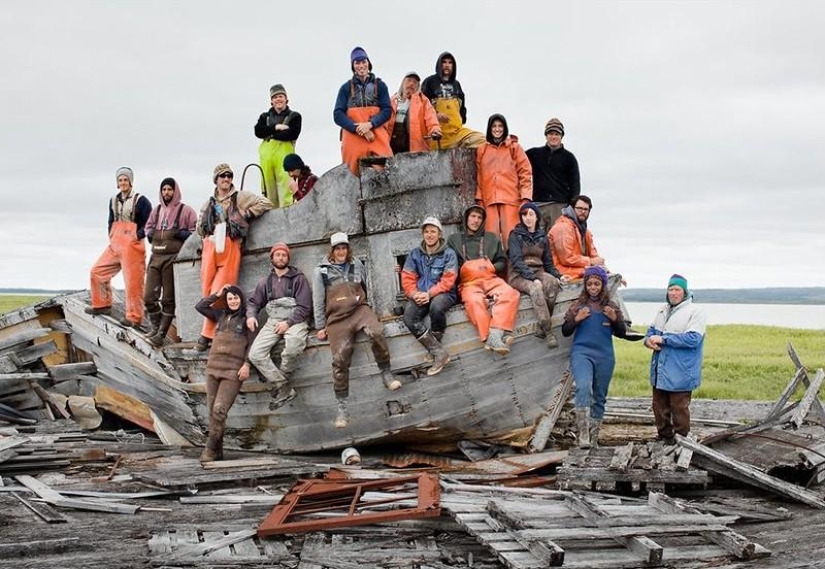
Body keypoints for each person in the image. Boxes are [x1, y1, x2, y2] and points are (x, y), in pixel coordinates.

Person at [312, 232, 401, 429]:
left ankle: (386, 373)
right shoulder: (321, 271)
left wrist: (370, 308)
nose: (341, 251)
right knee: (340, 358)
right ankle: (342, 407)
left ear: (348, 249)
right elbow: (317, 300)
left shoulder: (357, 264)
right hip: (337, 319)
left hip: (360, 310)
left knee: (376, 332)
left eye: (344, 248)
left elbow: (366, 286)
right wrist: (320, 326)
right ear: (332, 251)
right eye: (337, 248)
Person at [196, 163, 273, 351]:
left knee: (220, 291)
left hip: (230, 246)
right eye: (222, 176)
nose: (226, 179)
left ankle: (208, 334)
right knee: (207, 291)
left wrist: (245, 214)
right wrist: (205, 224)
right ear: (216, 180)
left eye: (229, 176)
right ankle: (211, 331)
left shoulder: (241, 197)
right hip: (210, 246)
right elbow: (198, 228)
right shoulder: (208, 203)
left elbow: (266, 203)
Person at [561, 266, 626, 448]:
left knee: (600, 396)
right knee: (583, 387)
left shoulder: (611, 306)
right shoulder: (577, 306)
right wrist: (577, 319)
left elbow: (621, 332)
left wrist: (614, 318)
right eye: (589, 284)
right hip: (582, 353)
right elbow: (565, 331)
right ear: (585, 285)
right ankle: (583, 435)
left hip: (605, 356)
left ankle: (593, 437)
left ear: (603, 285)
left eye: (597, 284)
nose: (593, 287)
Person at [446, 205, 519, 354]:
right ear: (466, 218)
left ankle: (495, 334)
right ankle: (492, 337)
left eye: (479, 217)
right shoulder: (454, 240)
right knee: (474, 302)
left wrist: (491, 267)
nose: (476, 220)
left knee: (511, 294)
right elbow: (450, 265)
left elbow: (502, 261)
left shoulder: (492, 238)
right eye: (473, 216)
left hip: (490, 278)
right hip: (468, 283)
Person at [643, 274, 707, 444]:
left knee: (679, 408)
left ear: (685, 292)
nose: (673, 293)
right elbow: (651, 332)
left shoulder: (695, 311)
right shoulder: (662, 310)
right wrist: (648, 341)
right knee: (659, 407)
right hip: (660, 368)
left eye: (677, 289)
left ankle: (681, 441)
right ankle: (664, 439)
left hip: (681, 370)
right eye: (670, 289)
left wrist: (664, 339)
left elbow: (693, 339)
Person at [246, 243, 312, 407]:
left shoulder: (299, 279)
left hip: (295, 320)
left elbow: (305, 307)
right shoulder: (265, 282)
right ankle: (284, 387)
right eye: (278, 255)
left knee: (293, 346)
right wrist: (251, 316)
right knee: (255, 354)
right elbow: (253, 303)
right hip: (273, 321)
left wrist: (288, 323)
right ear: (272, 258)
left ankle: (282, 381)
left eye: (284, 255)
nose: (281, 258)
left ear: (288, 259)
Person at [86, 167, 152, 328]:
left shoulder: (141, 200)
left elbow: (150, 223)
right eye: (120, 180)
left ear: (131, 181)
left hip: (133, 246)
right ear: (117, 183)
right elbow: (110, 220)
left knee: (133, 283)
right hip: (115, 243)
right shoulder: (113, 200)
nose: (123, 183)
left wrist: (137, 235)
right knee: (97, 272)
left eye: (125, 179)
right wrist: (111, 234)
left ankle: (134, 317)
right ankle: (102, 304)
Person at [195, 284, 254, 462]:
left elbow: (253, 344)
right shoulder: (220, 315)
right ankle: (218, 452)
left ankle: (209, 450)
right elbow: (200, 306)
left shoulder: (247, 319)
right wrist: (218, 294)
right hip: (212, 369)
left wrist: (247, 364)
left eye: (236, 298)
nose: (233, 301)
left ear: (241, 299)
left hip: (232, 372)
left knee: (219, 410)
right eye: (229, 298)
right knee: (212, 413)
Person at [143, 177, 197, 347]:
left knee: (168, 299)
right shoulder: (156, 210)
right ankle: (156, 327)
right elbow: (148, 227)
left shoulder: (186, 210)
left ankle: (161, 334)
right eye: (164, 189)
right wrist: (150, 233)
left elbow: (196, 232)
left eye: (169, 189)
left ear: (175, 191)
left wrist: (182, 234)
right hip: (155, 257)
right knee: (148, 297)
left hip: (172, 259)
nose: (166, 192)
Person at [401, 217, 457, 376]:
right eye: (426, 232)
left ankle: (435, 349)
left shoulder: (449, 254)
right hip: (421, 294)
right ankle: (439, 352)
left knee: (436, 307)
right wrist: (414, 294)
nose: (429, 235)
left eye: (433, 231)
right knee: (409, 317)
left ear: (440, 234)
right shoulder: (415, 254)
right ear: (423, 234)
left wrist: (429, 294)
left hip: (444, 293)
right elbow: (407, 278)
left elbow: (448, 280)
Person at [508, 202, 567, 348]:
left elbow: (548, 263)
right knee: (536, 289)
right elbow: (516, 260)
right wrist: (533, 279)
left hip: (538, 271)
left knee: (552, 283)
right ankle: (548, 331)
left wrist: (559, 276)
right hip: (518, 274)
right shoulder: (515, 235)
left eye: (531, 214)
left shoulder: (543, 237)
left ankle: (541, 327)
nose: (527, 218)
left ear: (536, 217)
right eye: (524, 214)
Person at [333, 47, 393, 175]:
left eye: (363, 61)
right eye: (357, 63)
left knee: (387, 167)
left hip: (376, 134)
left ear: (368, 63)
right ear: (353, 66)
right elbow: (338, 114)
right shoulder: (345, 88)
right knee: (351, 174)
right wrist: (359, 129)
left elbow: (387, 110)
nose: (361, 66)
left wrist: (370, 124)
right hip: (353, 136)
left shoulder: (380, 86)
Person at [475, 114, 532, 246]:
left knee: (511, 237)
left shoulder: (514, 147)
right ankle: (493, 260)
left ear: (505, 128)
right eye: (494, 126)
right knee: (490, 239)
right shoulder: (482, 150)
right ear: (489, 129)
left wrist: (525, 197)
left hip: (510, 199)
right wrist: (480, 200)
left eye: (500, 126)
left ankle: (513, 259)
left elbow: (525, 172)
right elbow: (479, 176)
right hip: (489, 200)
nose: (497, 129)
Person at [420, 52, 485, 149]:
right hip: (438, 135)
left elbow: (462, 109)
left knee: (483, 140)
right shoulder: (430, 81)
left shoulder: (457, 84)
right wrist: (436, 114)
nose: (447, 65)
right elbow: (421, 106)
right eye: (444, 62)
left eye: (450, 63)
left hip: (457, 133)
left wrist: (461, 119)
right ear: (439, 64)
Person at [526, 117, 581, 230]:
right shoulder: (533, 154)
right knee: (536, 238)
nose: (554, 137)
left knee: (557, 238)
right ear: (546, 135)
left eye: (557, 134)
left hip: (559, 206)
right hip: (537, 205)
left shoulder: (569, 158)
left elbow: (575, 185)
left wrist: (571, 207)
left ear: (561, 136)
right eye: (551, 133)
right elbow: (516, 160)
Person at [254, 84, 302, 208]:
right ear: (271, 101)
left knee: (286, 192)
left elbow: (292, 133)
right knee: (268, 193)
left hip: (285, 158)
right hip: (266, 159)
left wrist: (269, 133)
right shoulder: (264, 117)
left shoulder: (295, 116)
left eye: (280, 96)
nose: (278, 99)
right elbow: (258, 131)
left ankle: (287, 217)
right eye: (275, 97)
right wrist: (276, 127)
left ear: (286, 99)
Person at [548, 195, 605, 280]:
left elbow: (594, 256)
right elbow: (566, 259)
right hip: (561, 271)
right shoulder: (563, 227)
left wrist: (605, 270)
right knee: (595, 276)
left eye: (586, 209)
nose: (583, 211)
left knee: (602, 274)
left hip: (577, 269)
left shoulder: (585, 231)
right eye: (579, 208)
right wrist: (590, 262)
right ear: (572, 208)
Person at [388, 71, 442, 154]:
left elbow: (431, 118)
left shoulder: (423, 102)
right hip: (391, 148)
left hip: (415, 148)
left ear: (418, 87)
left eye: (415, 82)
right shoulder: (391, 101)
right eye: (409, 80)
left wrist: (435, 130)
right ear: (403, 83)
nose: (411, 84)